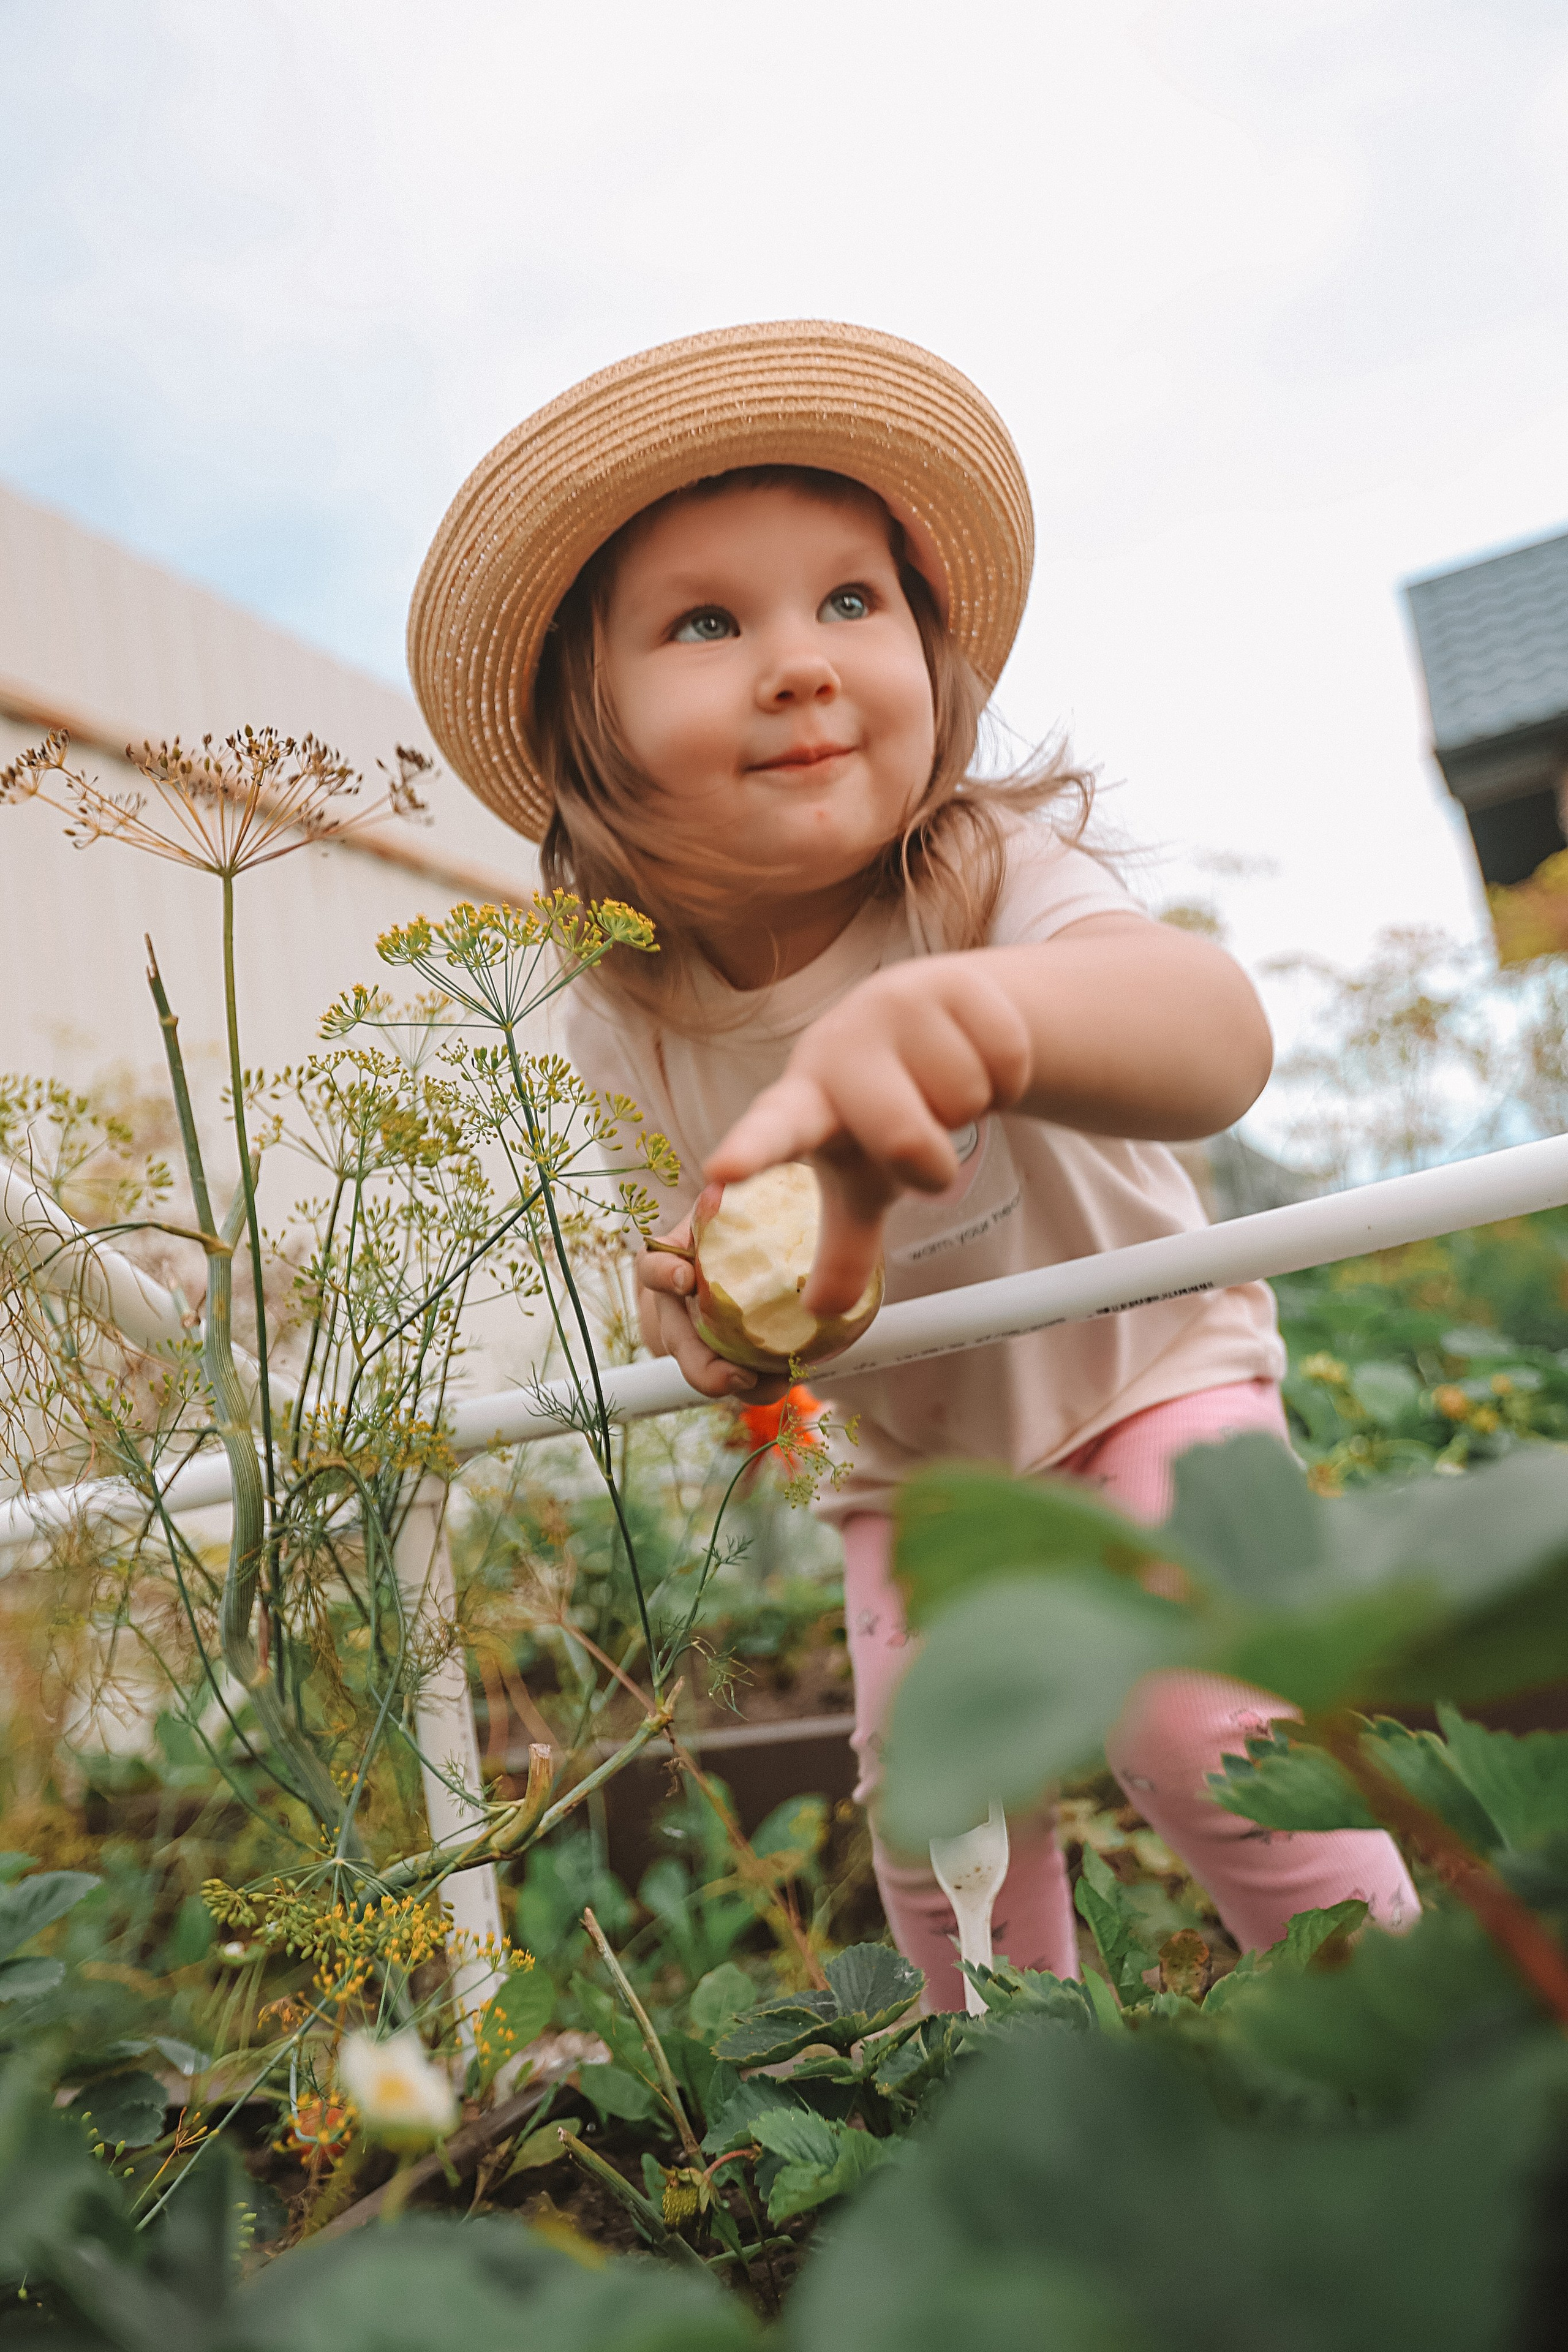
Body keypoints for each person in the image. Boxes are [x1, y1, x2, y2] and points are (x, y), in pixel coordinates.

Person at [409, 321, 1416, 2009]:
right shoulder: (628, 1012)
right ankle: (1012, 2116)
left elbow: (1216, 1039)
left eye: (849, 601)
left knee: (1216, 1726)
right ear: (592, 727)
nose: (800, 661)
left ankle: (1409, 2048)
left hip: (1149, 1380)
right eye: (710, 622)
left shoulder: (979, 875)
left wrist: (978, 1022)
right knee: (937, 1820)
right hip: (926, 1476)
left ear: (930, 651)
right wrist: (716, 1328)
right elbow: (759, 1294)